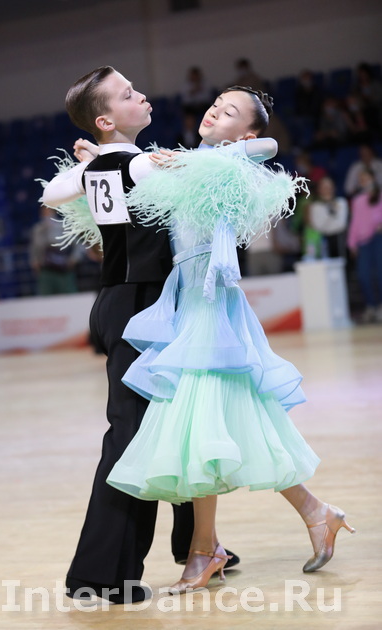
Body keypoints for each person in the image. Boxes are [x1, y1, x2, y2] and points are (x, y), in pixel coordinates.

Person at [104, 86, 356, 594]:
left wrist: (191, 161)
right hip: (191, 298)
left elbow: (269, 147)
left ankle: (207, 550)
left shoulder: (233, 161)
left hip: (212, 301)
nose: (215, 111)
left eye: (230, 111)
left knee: (202, 423)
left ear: (245, 133)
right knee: (222, 423)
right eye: (216, 103)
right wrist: (105, 155)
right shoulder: (194, 160)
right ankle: (311, 514)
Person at [42, 68, 275, 603]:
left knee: (177, 418)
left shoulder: (106, 164)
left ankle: (199, 544)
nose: (141, 94)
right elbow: (249, 152)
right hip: (139, 305)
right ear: (106, 120)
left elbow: (53, 194)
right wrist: (178, 159)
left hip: (128, 301)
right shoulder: (140, 163)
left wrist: (93, 161)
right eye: (127, 94)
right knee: (132, 438)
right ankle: (100, 575)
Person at [347, 168, 382, 323]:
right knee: (363, 275)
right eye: (361, 179)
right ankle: (370, 306)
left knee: (380, 274)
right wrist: (352, 242)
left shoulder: (380, 196)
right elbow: (355, 222)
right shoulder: (358, 200)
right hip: (363, 242)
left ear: (373, 178)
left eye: (366, 178)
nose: (364, 181)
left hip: (378, 238)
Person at [29, 205, 81, 295]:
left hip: (64, 268)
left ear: (54, 212)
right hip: (46, 270)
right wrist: (34, 261)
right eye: (44, 212)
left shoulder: (64, 226)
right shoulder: (38, 229)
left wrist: (74, 259)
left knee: (69, 296)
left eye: (49, 212)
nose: (46, 214)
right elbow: (34, 248)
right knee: (45, 297)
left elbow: (78, 244)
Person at [306, 176, 349, 260]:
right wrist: (330, 211)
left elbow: (341, 225)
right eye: (324, 187)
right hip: (321, 241)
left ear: (334, 188)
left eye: (329, 187)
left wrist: (328, 213)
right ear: (319, 189)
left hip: (338, 240)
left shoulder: (341, 202)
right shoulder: (315, 206)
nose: (327, 189)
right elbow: (318, 226)